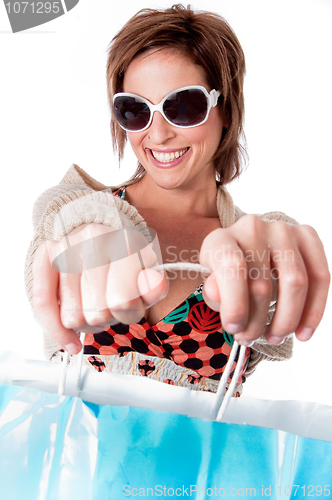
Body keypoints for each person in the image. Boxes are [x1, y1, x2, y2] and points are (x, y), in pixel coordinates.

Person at [25, 4, 329, 395]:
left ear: (226, 108)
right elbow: (59, 223)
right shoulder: (78, 211)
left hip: (202, 457)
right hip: (76, 454)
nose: (159, 133)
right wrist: (86, 230)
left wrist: (276, 263)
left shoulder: (249, 243)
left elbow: (273, 291)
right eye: (135, 110)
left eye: (183, 106)